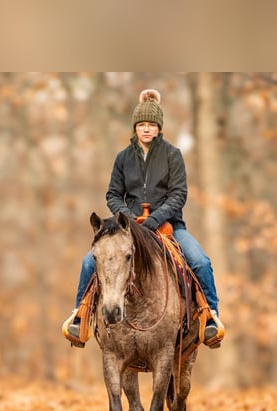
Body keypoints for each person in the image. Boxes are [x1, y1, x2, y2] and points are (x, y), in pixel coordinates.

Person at [63, 88, 224, 347]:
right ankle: (80, 318)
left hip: (168, 226)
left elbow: (179, 194)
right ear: (135, 127)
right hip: (127, 227)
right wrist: (128, 218)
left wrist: (155, 219)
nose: (146, 129)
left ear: (159, 128)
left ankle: (210, 319)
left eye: (151, 125)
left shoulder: (173, 155)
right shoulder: (123, 158)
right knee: (88, 262)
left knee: (200, 262)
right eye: (141, 125)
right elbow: (113, 194)